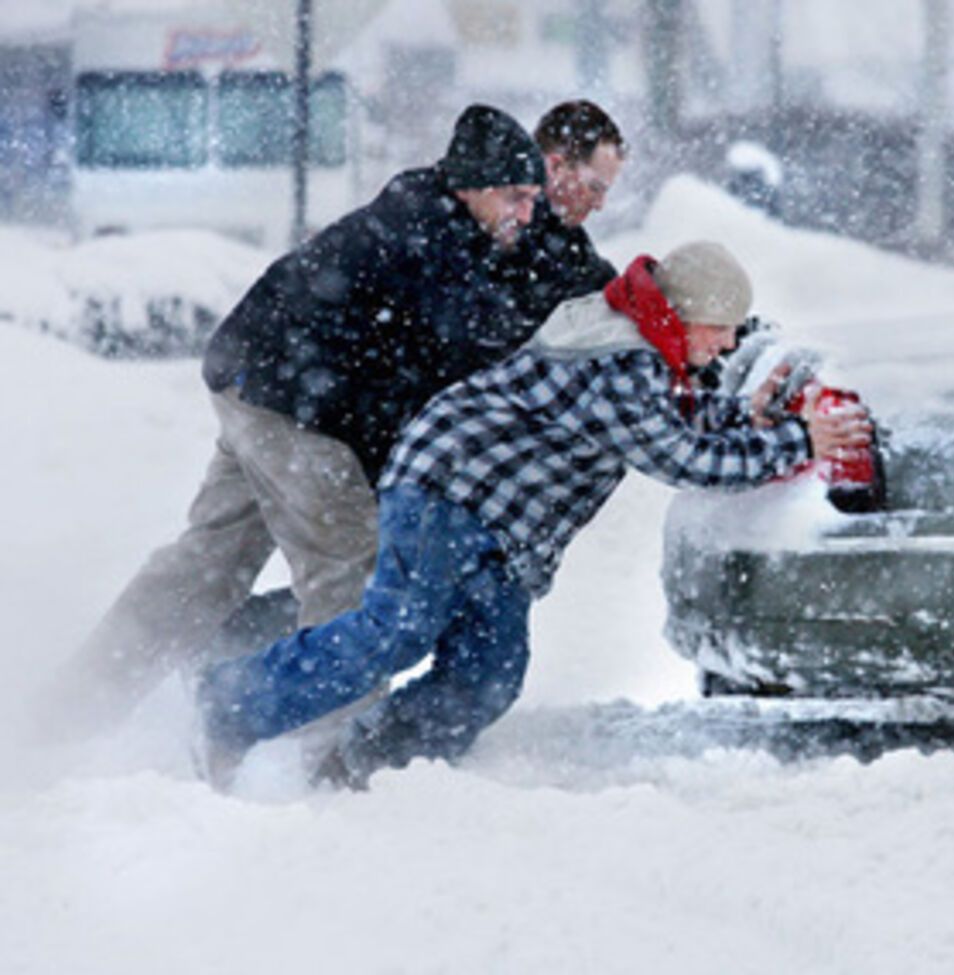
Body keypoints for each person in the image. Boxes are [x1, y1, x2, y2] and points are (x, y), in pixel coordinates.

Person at [195, 241, 874, 790]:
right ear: (690, 314)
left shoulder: (646, 344)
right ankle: (228, 704)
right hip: (445, 488)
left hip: (501, 526)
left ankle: (373, 765)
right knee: (395, 630)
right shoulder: (622, 358)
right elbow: (681, 455)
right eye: (722, 328)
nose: (726, 345)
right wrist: (800, 441)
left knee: (487, 670)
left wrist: (752, 420)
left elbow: (676, 415)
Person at [48, 102, 625, 735]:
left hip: (258, 381)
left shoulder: (473, 218)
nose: (533, 209)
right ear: (495, 181)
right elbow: (475, 343)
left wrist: (649, 316)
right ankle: (317, 753)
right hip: (296, 408)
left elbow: (567, 287)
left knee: (209, 564)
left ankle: (75, 711)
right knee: (355, 577)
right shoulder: (433, 235)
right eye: (590, 186)